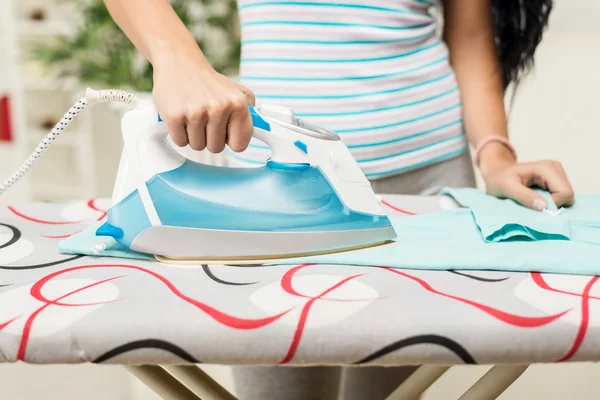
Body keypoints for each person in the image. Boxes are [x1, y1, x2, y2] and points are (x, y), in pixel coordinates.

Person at [104, 0, 574, 399]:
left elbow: (469, 39)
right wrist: (177, 60)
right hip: (264, 195)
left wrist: (495, 157)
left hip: (421, 191)